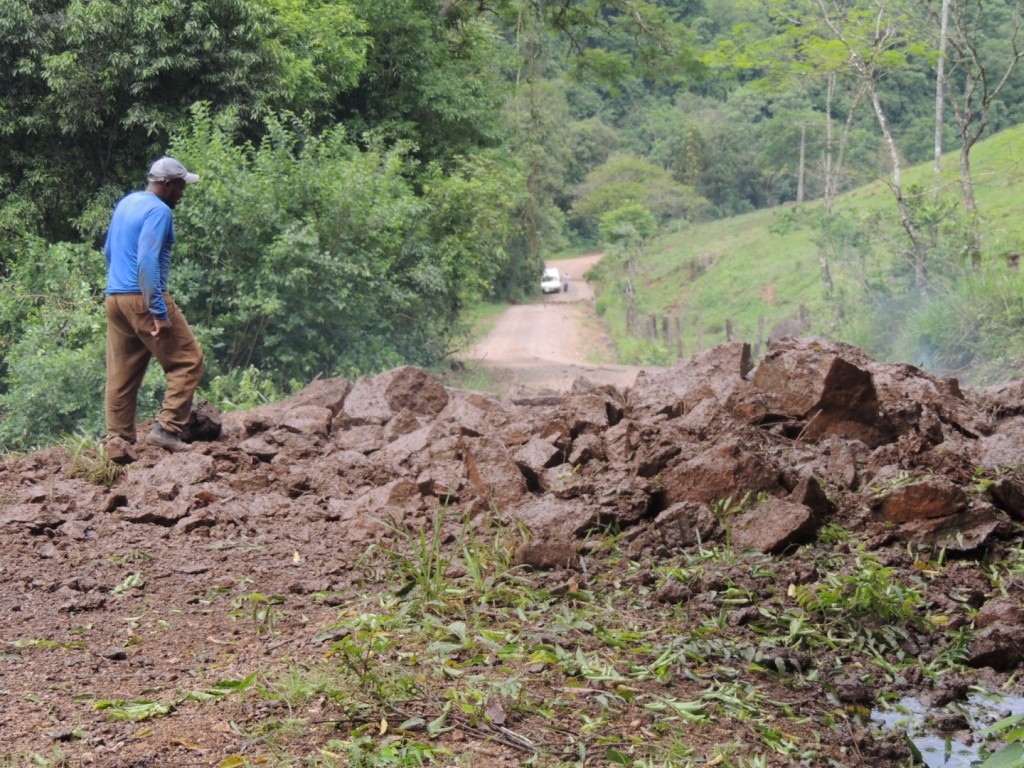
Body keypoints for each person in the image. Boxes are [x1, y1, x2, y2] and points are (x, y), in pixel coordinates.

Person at [104, 156, 205, 451]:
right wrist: (158, 311)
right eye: (181, 186)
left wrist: (121, 290)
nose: (182, 192)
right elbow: (147, 262)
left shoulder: (127, 203)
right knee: (188, 361)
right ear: (166, 184)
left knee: (121, 373)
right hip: (144, 297)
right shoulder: (159, 210)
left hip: (115, 297)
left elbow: (109, 250)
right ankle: (168, 428)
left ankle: (117, 441)